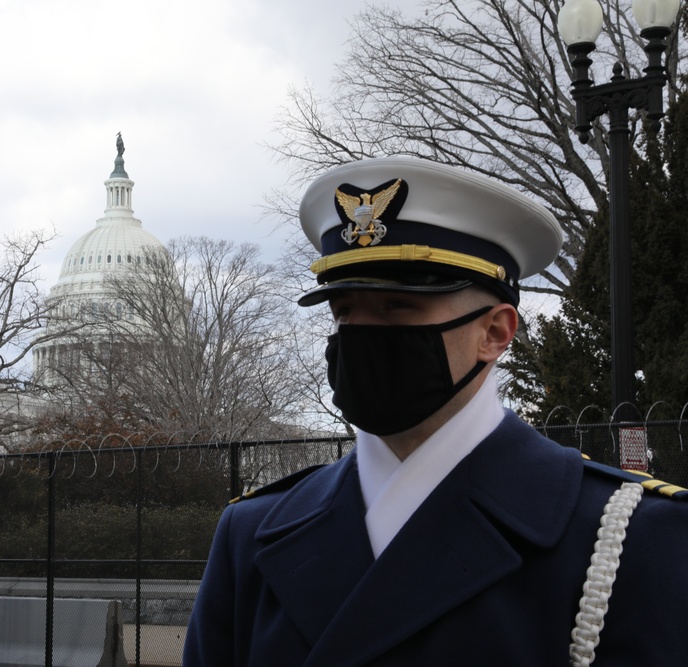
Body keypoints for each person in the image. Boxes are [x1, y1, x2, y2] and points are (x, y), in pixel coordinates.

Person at [182, 156, 688, 666]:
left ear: (495, 332)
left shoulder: (627, 538)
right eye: (343, 310)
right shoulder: (252, 533)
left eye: (397, 306)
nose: (358, 332)